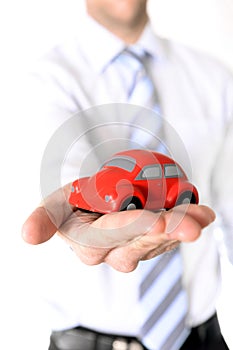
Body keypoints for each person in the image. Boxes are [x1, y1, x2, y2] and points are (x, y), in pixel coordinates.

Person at [21, 0, 233, 349]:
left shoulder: (214, 78)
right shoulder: (49, 78)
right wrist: (80, 210)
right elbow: (68, 172)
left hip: (202, 338)